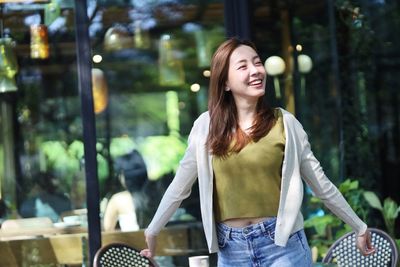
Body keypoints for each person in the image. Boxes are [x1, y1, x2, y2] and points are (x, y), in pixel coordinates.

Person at [140, 37, 376, 266]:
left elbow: (320, 183)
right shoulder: (206, 126)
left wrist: (359, 226)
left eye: (257, 62)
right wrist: (153, 229)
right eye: (243, 66)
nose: (255, 71)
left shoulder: (285, 123)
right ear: (225, 82)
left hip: (284, 248)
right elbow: (180, 186)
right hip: (231, 251)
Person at [103, 149, 148, 231]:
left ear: (124, 176)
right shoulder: (155, 196)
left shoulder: (117, 200)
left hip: (129, 243)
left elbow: (108, 230)